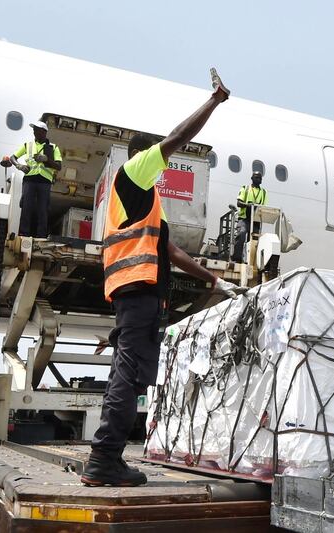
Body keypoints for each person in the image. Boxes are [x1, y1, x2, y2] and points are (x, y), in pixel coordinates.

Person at [81, 69, 244, 487]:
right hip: (137, 293)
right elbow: (176, 139)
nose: (162, 161)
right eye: (157, 157)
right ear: (143, 157)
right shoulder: (134, 173)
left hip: (138, 295)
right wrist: (214, 102)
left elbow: (169, 250)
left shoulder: (148, 202)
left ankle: (107, 457)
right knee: (128, 374)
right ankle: (104, 460)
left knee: (130, 371)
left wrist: (214, 280)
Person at [4, 120, 63, 238]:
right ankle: (23, 233)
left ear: (44, 132)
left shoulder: (53, 147)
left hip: (44, 181)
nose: (34, 132)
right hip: (29, 180)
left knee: (43, 209)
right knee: (26, 207)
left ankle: (41, 235)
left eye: (37, 130)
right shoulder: (28, 145)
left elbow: (58, 166)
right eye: (34, 130)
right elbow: (12, 157)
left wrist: (47, 159)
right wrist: (19, 166)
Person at [231, 170, 268, 262]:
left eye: (260, 178)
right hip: (244, 218)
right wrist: (248, 205)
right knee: (242, 233)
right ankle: (237, 257)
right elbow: (239, 203)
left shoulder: (263, 192)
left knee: (254, 241)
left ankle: (251, 261)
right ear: (252, 178)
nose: (258, 179)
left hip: (255, 220)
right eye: (256, 177)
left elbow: (264, 207)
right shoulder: (245, 188)